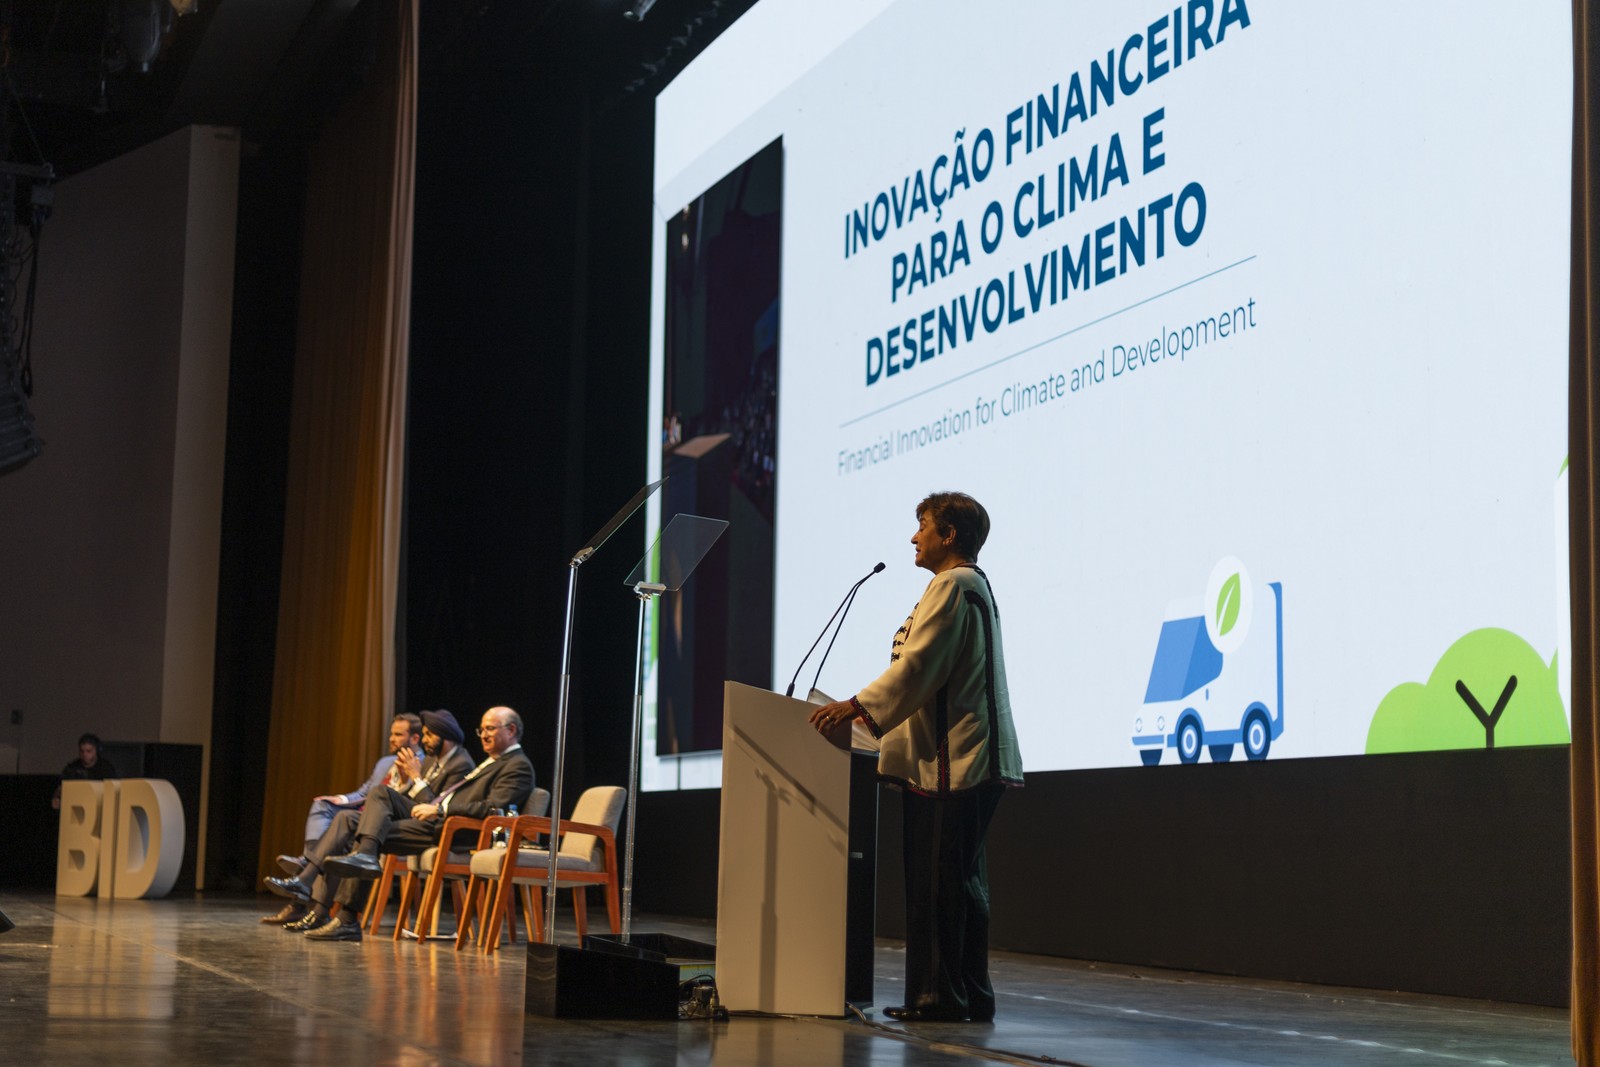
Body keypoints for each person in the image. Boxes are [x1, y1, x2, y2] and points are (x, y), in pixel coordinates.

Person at [809, 491, 1023, 1022]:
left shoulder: (954, 585)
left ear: (949, 535)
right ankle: (971, 993)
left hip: (955, 764)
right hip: (971, 760)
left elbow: (917, 667)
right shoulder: (968, 585)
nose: (913, 536)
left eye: (922, 526)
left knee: (936, 885)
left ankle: (937, 998)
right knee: (962, 885)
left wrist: (855, 707)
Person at [291, 706, 535, 942]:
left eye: (490, 728)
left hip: (453, 830)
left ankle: (341, 914)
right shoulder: (490, 761)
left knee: (363, 830)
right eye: (481, 729)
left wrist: (440, 808)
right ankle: (336, 891)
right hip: (435, 819)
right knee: (368, 804)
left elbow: (492, 807)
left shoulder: (518, 766)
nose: (483, 734)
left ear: (511, 730)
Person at [263, 709, 474, 927]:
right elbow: (401, 798)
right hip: (407, 819)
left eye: (429, 735)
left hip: (432, 829)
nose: (425, 740)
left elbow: (435, 807)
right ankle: (313, 896)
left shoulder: (460, 764)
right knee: (346, 819)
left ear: (445, 735)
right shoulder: (432, 760)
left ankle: (330, 910)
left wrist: (415, 778)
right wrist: (405, 783)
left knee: (362, 834)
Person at [271, 713, 424, 881]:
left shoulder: (423, 764)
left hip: (383, 820)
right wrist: (341, 799)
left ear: (415, 738)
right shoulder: (384, 762)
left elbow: (411, 802)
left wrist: (405, 781)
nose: (391, 739)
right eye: (391, 733)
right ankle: (309, 858)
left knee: (342, 827)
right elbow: (364, 792)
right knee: (322, 805)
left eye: (398, 734)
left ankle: (308, 867)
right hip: (360, 810)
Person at [52, 733, 119, 810]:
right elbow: (61, 788)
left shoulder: (106, 769)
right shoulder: (72, 768)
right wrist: (56, 798)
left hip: (99, 807)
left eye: (88, 751)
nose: (85, 754)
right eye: (82, 751)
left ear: (96, 751)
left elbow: (113, 792)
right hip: (77, 807)